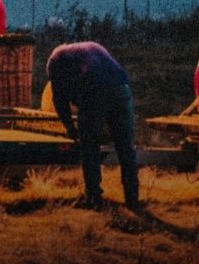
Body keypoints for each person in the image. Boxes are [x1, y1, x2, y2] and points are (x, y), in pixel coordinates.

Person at [46, 41, 140, 208]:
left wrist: (70, 128)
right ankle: (132, 199)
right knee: (126, 148)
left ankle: (94, 198)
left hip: (95, 91)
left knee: (90, 147)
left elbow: (59, 99)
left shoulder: (55, 62)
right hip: (122, 89)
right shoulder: (89, 49)